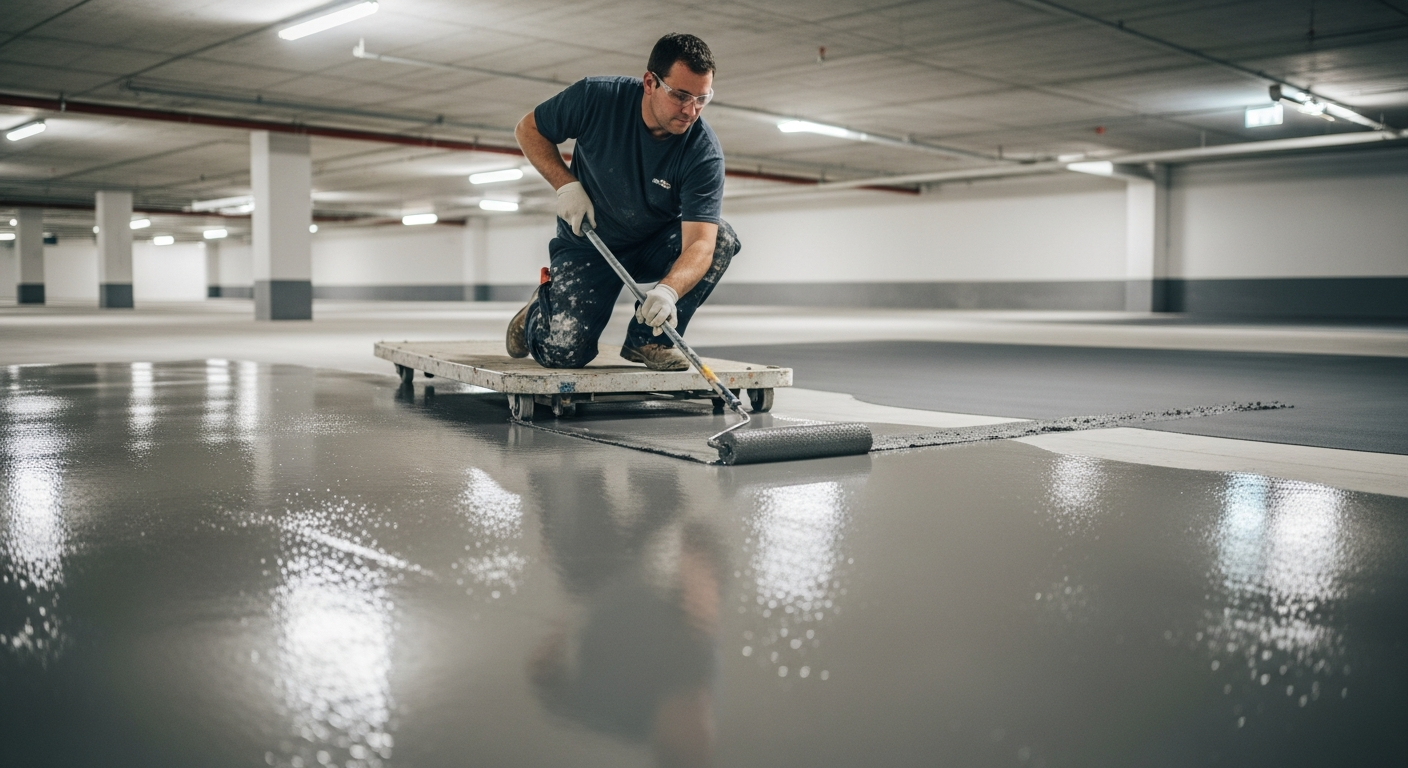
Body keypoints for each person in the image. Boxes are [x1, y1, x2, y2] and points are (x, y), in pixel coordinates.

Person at [506, 33, 740, 371]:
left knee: (722, 238)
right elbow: (528, 129)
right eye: (681, 95)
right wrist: (565, 185)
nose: (691, 110)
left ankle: (649, 340)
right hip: (589, 242)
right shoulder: (597, 98)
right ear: (650, 82)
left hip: (650, 245)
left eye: (703, 98)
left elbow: (701, 244)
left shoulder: (702, 153)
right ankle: (536, 312)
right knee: (562, 354)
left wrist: (669, 292)